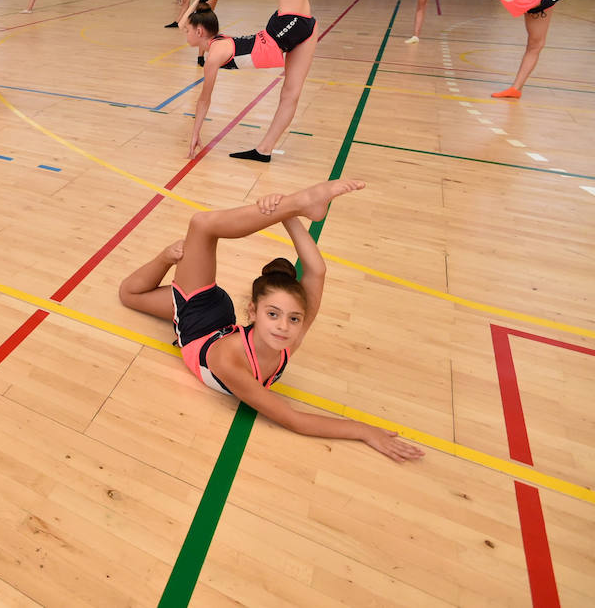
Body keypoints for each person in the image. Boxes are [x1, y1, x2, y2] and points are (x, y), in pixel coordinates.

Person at [117, 179, 425, 463]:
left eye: (293, 319)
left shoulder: (288, 337)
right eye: (273, 314)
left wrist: (287, 217)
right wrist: (362, 429)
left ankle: (176, 260)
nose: (283, 326)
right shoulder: (230, 360)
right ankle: (167, 257)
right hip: (203, 316)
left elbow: (316, 272)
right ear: (253, 311)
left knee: (132, 293)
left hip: (205, 323)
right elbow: (295, 421)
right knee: (198, 226)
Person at [185, 0, 317, 162]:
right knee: (290, 95)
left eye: (187, 31)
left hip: (283, 31)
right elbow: (203, 100)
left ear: (199, 31)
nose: (184, 33)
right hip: (294, 33)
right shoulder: (216, 49)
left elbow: (203, 100)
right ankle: (264, 150)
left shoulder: (216, 51)